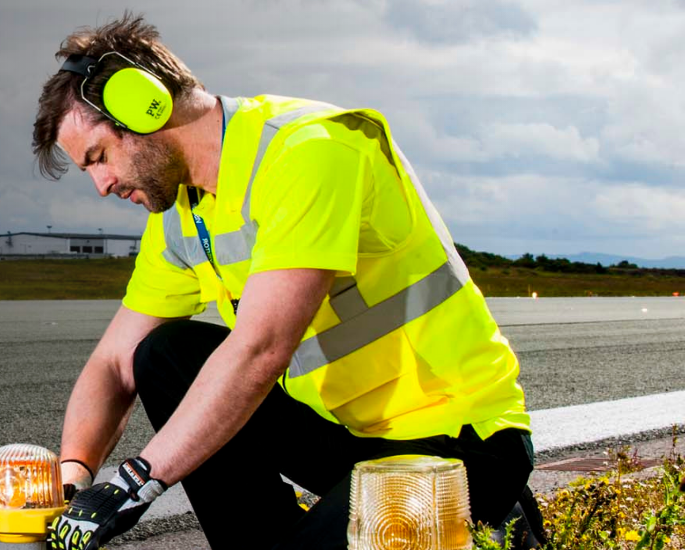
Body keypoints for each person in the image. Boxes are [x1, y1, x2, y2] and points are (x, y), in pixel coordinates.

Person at [31, 14, 538, 550]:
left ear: (144, 105)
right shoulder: (180, 213)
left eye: (99, 157)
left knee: (226, 366)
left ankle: (499, 513)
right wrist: (74, 481)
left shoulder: (309, 150)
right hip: (349, 442)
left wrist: (133, 485)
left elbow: (260, 350)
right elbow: (114, 363)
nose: (102, 186)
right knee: (164, 354)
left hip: (454, 445)